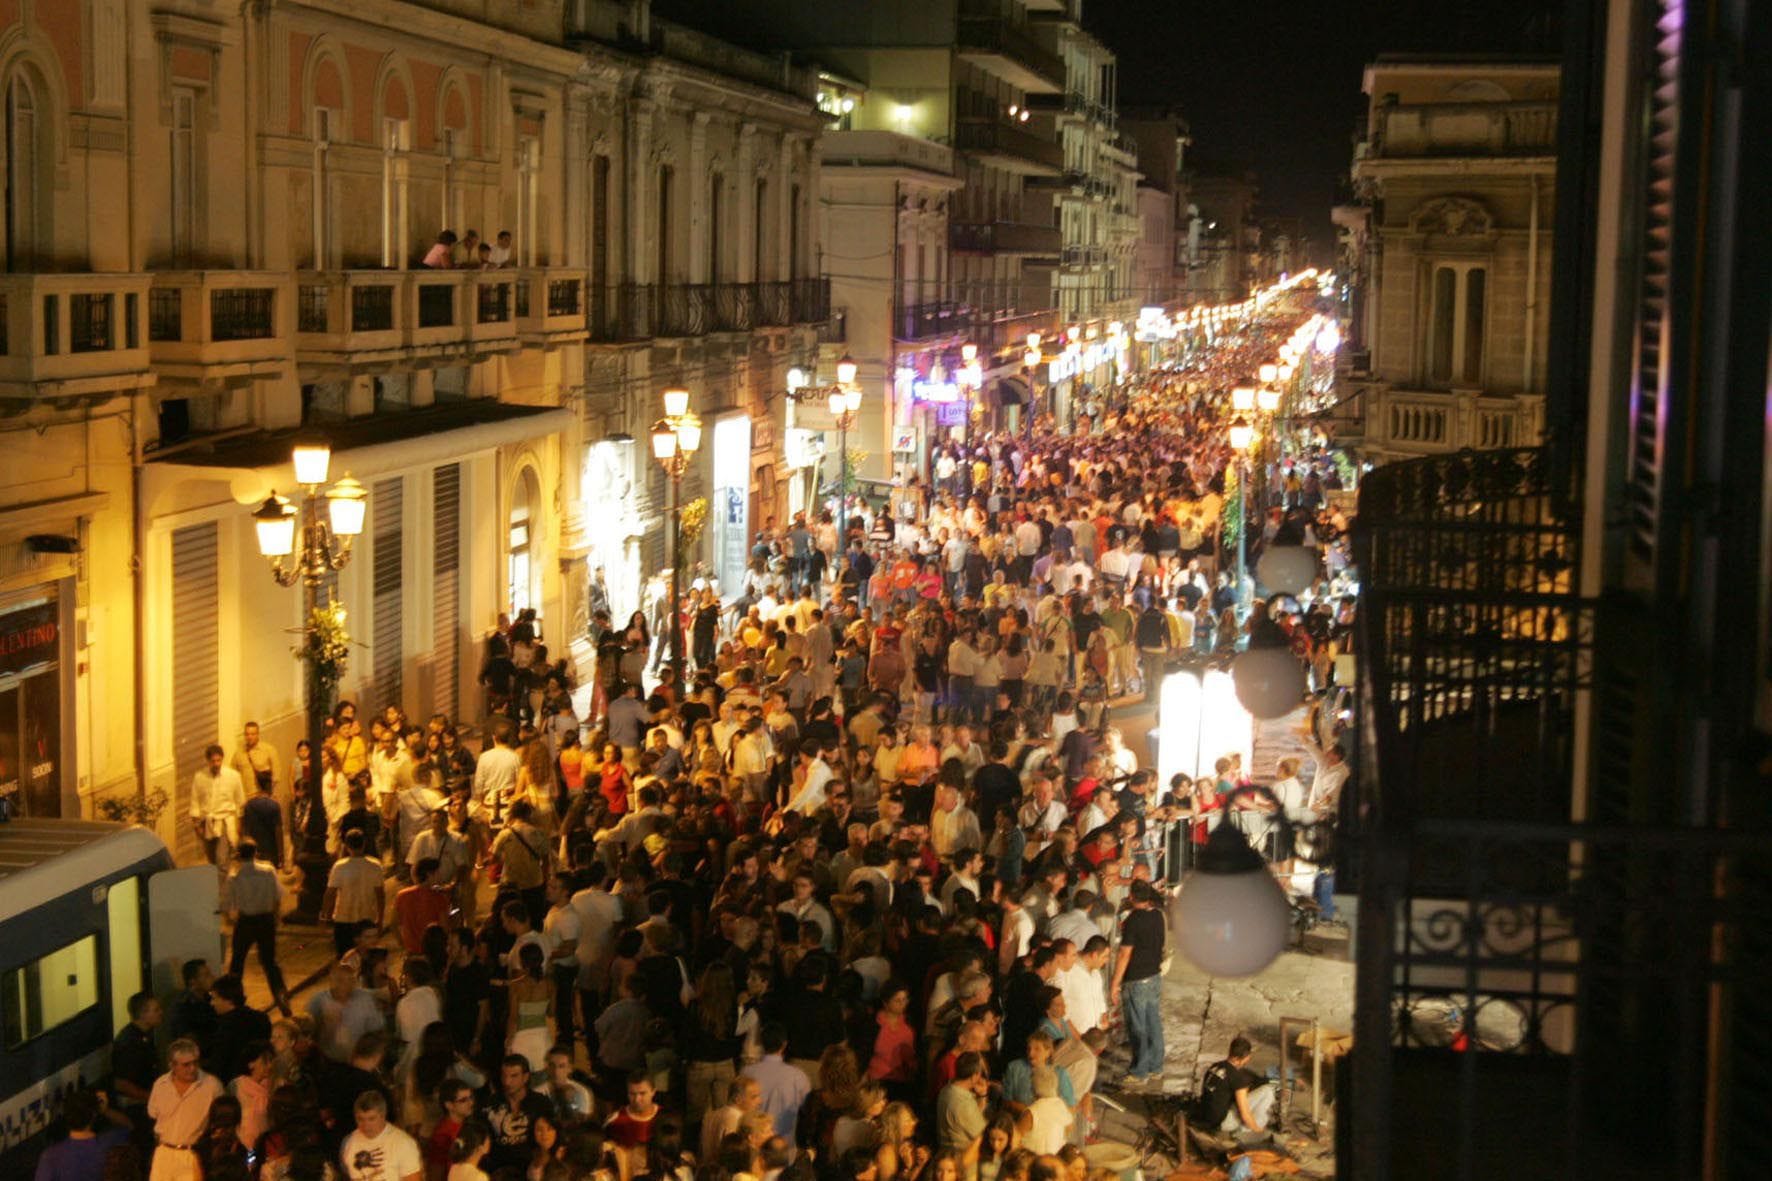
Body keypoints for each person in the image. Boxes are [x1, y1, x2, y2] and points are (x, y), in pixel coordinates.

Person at [1111, 879, 1167, 1086]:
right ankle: (1156, 1066)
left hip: (1136, 979)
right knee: (1153, 1022)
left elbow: (1125, 954)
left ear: (1132, 896)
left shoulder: (1134, 920)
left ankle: (1140, 1070)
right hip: (1154, 975)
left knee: (1138, 1026)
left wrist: (1114, 983)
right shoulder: (1158, 916)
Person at [224, 839, 290, 1014]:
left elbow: (228, 903)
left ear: (239, 854)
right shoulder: (268, 870)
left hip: (246, 921)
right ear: (255, 852)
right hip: (265, 920)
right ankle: (282, 998)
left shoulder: (234, 875)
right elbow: (277, 896)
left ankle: (233, 1002)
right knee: (270, 963)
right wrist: (276, 916)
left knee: (237, 962)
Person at [147, 1038, 222, 1181]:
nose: (192, 1068)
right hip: (163, 1153)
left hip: (191, 1153)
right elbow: (153, 1113)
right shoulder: (161, 1084)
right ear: (172, 1065)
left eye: (195, 1062)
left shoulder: (212, 1086)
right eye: (186, 1065)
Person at [31, 1088, 129, 1181]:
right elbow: (128, 1126)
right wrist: (105, 1110)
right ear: (94, 1115)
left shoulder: (50, 1157)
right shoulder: (109, 1143)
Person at [741, 1023, 811, 1147]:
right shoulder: (798, 1076)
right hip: (785, 1148)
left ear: (761, 1043)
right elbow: (807, 1109)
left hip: (755, 1144)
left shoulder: (746, 1072)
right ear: (784, 1045)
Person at [1197, 1035, 1277, 1141]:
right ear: (1242, 1058)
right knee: (1268, 1093)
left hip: (1205, 1116)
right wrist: (1259, 1131)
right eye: (1247, 1057)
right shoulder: (1237, 1077)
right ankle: (1245, 1132)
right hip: (1222, 1123)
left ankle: (1248, 1128)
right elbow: (1245, 1114)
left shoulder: (1215, 1066)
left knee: (1253, 1105)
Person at [339, 1089, 423, 1181]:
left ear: (383, 1115)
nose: (366, 1125)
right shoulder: (348, 1142)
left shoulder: (403, 1143)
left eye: (371, 1119)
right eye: (360, 1119)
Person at [191, 744, 246, 873]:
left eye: (218, 760)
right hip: (207, 824)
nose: (216, 764)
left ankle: (224, 889)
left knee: (222, 860)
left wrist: (240, 825)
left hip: (225, 822)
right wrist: (197, 825)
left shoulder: (233, 776)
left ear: (222, 759)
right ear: (207, 761)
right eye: (213, 761)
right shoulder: (199, 777)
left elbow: (240, 802)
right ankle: (219, 885)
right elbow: (195, 802)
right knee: (212, 860)